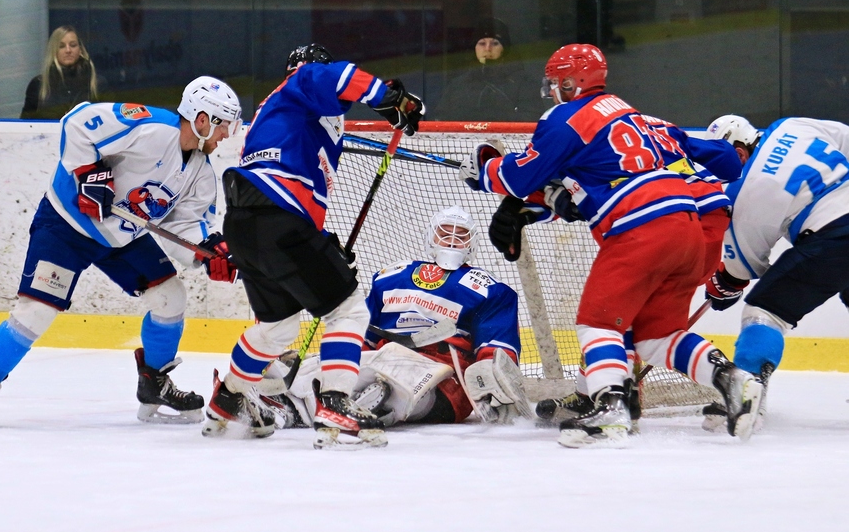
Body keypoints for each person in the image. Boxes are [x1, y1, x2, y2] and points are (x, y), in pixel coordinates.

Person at [459, 43, 764, 448]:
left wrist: (484, 171)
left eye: (556, 83)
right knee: (657, 336)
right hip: (689, 228)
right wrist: (548, 201)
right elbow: (725, 161)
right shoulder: (635, 116)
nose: (552, 91)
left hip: (642, 227)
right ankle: (734, 380)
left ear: (571, 82)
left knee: (599, 322)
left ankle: (610, 407)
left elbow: (519, 177)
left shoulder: (567, 118)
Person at [0, 76, 243, 428]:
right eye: (224, 126)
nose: (226, 135)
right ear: (202, 120)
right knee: (36, 312)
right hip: (66, 227)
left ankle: (154, 382)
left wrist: (208, 252)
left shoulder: (201, 174)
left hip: (124, 238)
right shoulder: (149, 127)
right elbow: (77, 121)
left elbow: (187, 225)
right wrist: (89, 173)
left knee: (170, 297)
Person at [202, 43, 425, 449]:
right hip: (277, 217)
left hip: (247, 224)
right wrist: (389, 98)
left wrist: (319, 244)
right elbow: (332, 76)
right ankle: (336, 402)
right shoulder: (303, 81)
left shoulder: (289, 114)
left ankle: (229, 397)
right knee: (348, 309)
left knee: (278, 326)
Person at [535, 116, 744, 426]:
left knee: (606, 317)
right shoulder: (656, 136)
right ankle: (730, 377)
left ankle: (613, 399)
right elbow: (729, 164)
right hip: (697, 234)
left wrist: (540, 201)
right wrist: (731, 273)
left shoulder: (597, 144)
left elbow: (577, 193)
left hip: (662, 222)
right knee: (646, 326)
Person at [257, 205, 531, 430]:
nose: (451, 240)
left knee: (401, 382)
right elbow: (363, 336)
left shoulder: (490, 290)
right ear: (430, 237)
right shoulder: (392, 276)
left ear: (472, 244)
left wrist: (495, 388)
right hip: (383, 357)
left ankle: (372, 403)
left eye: (461, 235)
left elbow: (497, 356)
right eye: (445, 232)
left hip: (442, 373)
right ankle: (285, 404)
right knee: (325, 370)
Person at [699, 114, 849, 430]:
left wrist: (723, 284)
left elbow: (743, 269)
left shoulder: (744, 191)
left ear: (737, 153)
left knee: (764, 311)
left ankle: (745, 391)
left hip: (836, 238)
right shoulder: (792, 126)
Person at [435, 17, 538, 122]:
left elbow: (531, 120)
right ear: (474, 48)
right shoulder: (457, 85)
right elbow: (441, 121)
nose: (488, 49)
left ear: (504, 48)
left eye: (495, 43)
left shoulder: (524, 83)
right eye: (482, 43)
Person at [21, 26, 101, 120]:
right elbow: (25, 124)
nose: (68, 50)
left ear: (80, 50)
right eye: (61, 46)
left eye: (73, 45)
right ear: (54, 51)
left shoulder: (96, 83)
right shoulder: (38, 84)